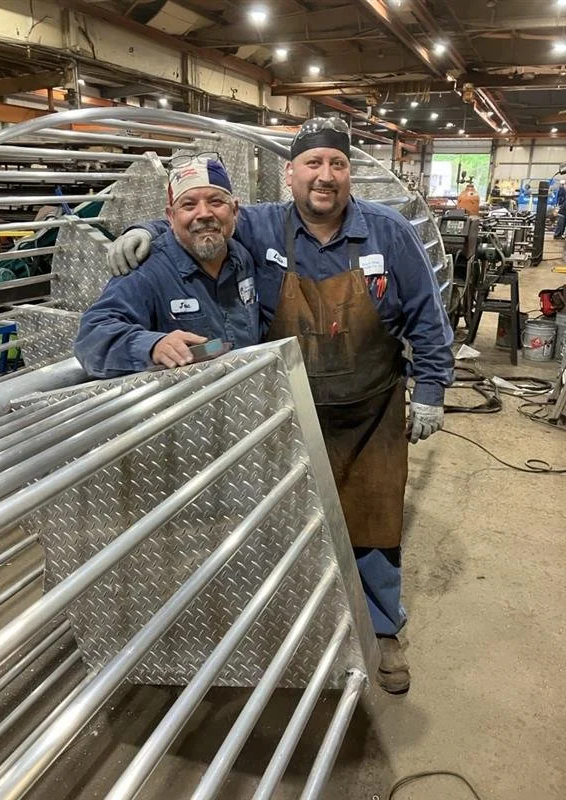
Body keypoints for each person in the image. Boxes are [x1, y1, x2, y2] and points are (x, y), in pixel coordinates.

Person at [108, 118, 455, 694]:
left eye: (337, 165)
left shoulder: (389, 233)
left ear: (350, 175)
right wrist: (144, 231)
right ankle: (306, 627)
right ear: (290, 174)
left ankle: (382, 631)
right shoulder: (263, 224)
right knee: (294, 525)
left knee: (373, 521)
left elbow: (427, 318)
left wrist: (434, 394)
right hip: (288, 410)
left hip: (373, 412)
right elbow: (202, 219)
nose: (325, 176)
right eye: (313, 164)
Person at [75, 156, 262, 377]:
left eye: (216, 202)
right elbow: (91, 337)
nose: (204, 214)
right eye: (189, 205)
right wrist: (153, 346)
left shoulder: (242, 258)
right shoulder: (148, 269)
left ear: (235, 210)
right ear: (171, 217)